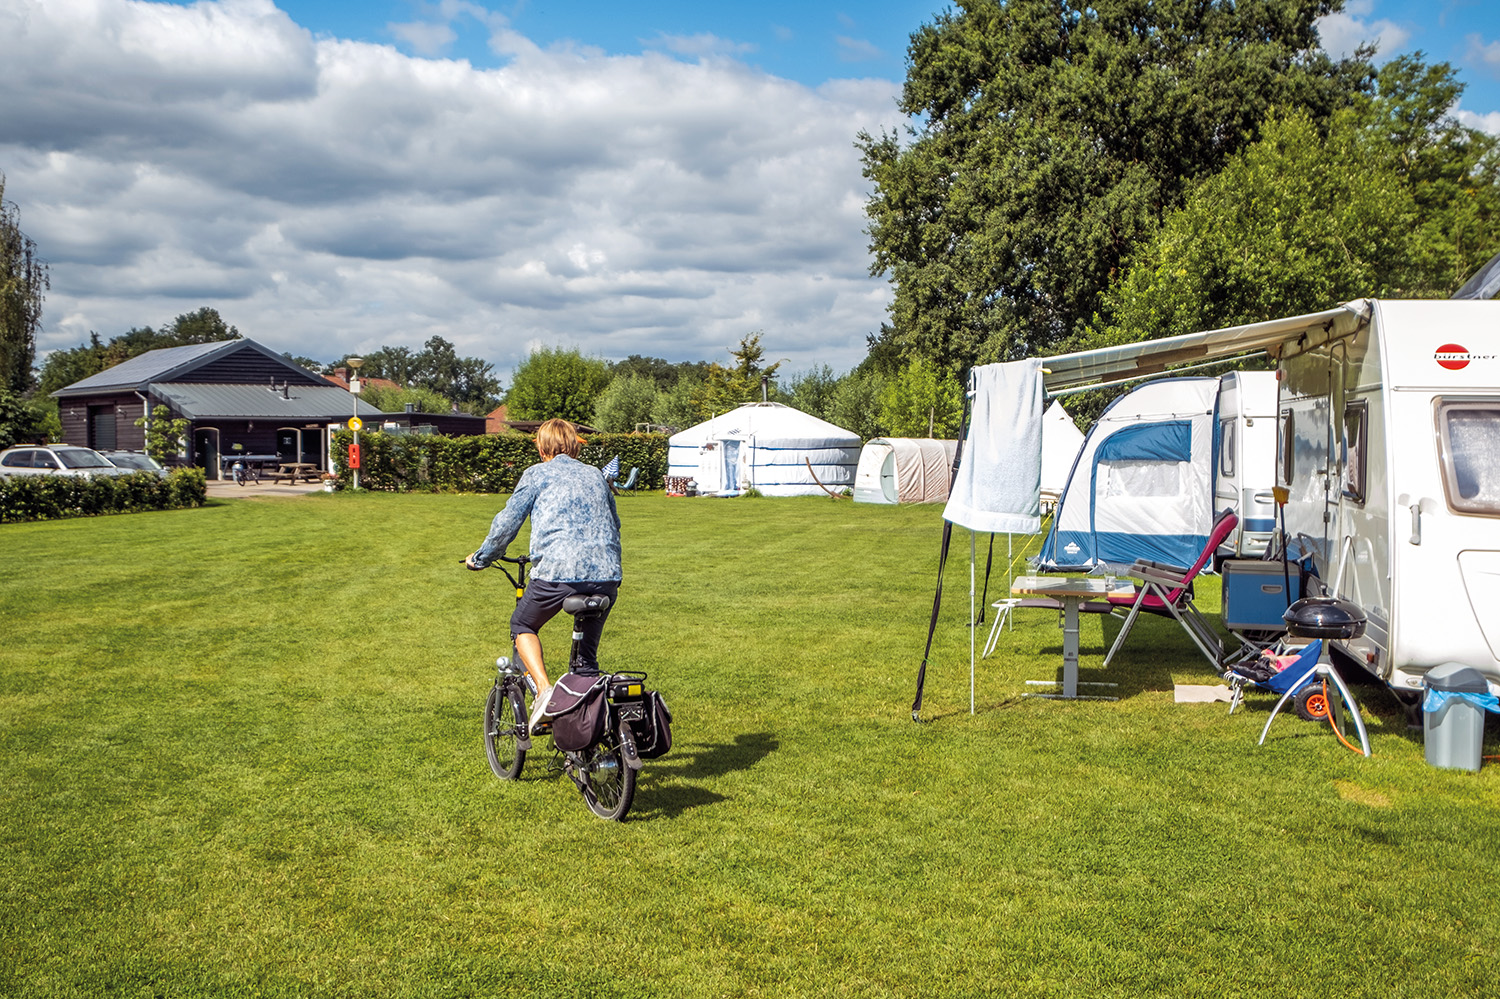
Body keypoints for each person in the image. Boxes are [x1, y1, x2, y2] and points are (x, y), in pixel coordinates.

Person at [466, 419, 622, 732]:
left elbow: (506, 524)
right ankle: (588, 730)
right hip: (606, 575)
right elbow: (614, 523)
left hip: (557, 574)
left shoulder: (537, 473)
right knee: (585, 662)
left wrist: (481, 558)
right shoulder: (595, 474)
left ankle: (544, 694)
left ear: (541, 448)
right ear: (576, 445)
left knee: (523, 624)